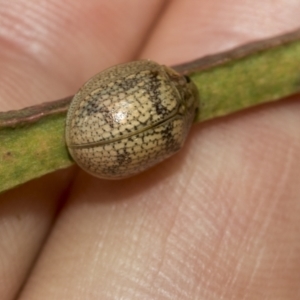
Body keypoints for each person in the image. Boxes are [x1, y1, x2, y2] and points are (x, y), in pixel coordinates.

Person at [1, 1, 300, 299]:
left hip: (90, 125)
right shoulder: (175, 135)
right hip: (98, 143)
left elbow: (119, 78)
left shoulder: (153, 79)